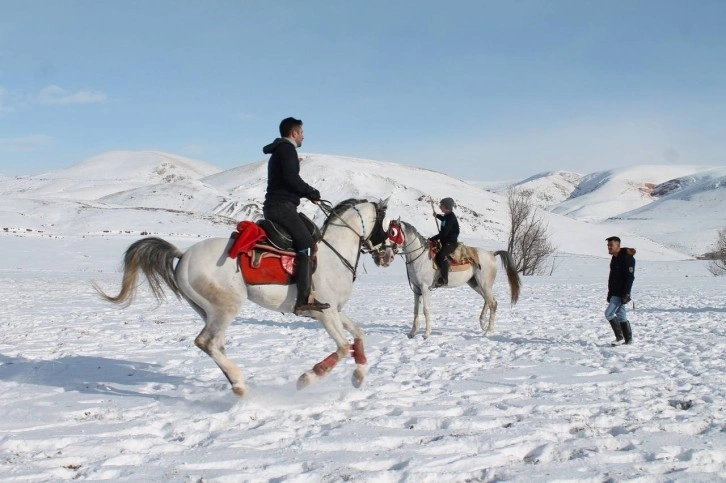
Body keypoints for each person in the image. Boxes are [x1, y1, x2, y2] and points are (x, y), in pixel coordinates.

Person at [262, 117, 330, 315]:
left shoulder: (281, 151)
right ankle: (303, 299)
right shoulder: (287, 150)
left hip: (281, 205)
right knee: (308, 245)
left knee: (309, 235)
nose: (303, 136)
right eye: (301, 132)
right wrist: (311, 192)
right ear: (294, 133)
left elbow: (287, 179)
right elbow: (292, 179)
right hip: (281, 207)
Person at [605, 236, 636, 345]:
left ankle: (620, 337)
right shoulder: (614, 257)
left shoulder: (627, 258)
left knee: (608, 314)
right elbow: (612, 277)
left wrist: (627, 293)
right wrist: (610, 293)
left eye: (611, 245)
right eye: (608, 245)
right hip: (614, 292)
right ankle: (628, 340)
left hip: (621, 293)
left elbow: (630, 277)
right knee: (622, 316)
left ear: (618, 246)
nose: (609, 247)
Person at [429, 197, 460, 287]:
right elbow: (444, 220)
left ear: (446, 206)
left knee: (441, 255)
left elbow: (444, 233)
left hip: (451, 243)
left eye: (441, 205)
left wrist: (432, 239)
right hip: (445, 242)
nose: (440, 206)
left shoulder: (451, 217)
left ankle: (444, 279)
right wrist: (437, 216)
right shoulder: (447, 216)